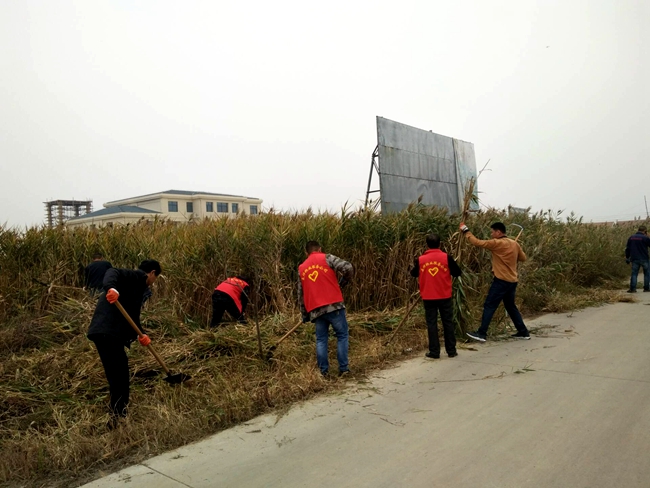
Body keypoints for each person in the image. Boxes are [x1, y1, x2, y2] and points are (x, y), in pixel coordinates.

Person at [87, 259, 161, 426]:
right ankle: (118, 416)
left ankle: (118, 414)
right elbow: (111, 272)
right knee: (119, 375)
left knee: (118, 374)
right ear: (152, 273)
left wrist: (141, 334)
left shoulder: (136, 289)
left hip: (108, 333)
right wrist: (111, 288)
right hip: (107, 331)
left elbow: (132, 316)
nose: (153, 281)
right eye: (155, 278)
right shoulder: (135, 276)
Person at [460, 222, 530, 342]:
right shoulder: (515, 244)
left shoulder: (496, 243)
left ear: (498, 232)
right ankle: (523, 332)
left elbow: (477, 242)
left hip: (501, 281)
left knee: (489, 305)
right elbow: (523, 258)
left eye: (492, 232)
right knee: (510, 306)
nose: (491, 234)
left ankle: (482, 333)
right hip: (512, 281)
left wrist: (465, 230)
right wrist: (513, 253)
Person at [298, 241, 353, 377]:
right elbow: (348, 267)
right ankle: (344, 369)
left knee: (321, 340)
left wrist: (304, 315)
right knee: (342, 335)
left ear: (306, 252)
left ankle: (324, 372)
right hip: (334, 305)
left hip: (316, 310)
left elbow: (300, 294)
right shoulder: (327, 258)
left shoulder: (301, 268)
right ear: (320, 249)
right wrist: (343, 282)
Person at [410, 233, 462, 359]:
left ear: (427, 245)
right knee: (447, 322)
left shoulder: (420, 260)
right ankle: (451, 350)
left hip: (428, 297)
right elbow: (457, 272)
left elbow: (414, 274)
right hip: (444, 295)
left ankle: (434, 352)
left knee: (431, 324)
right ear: (440, 244)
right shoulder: (446, 257)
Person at [625, 225, 650, 292]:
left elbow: (628, 248)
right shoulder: (645, 238)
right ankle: (646, 288)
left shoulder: (631, 237)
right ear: (645, 231)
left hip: (635, 258)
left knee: (634, 273)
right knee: (647, 273)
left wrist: (627, 257)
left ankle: (633, 289)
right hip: (644, 258)